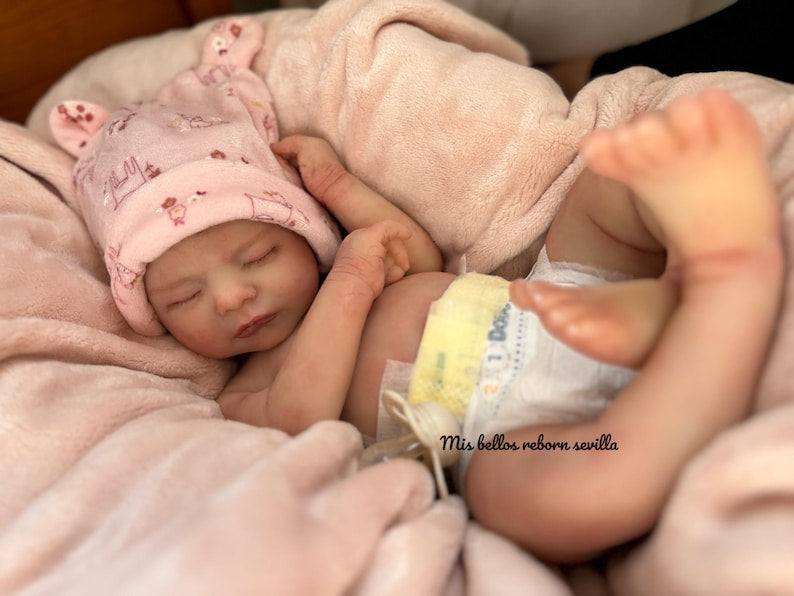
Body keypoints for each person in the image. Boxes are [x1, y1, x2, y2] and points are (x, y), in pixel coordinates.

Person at [50, 19, 782, 564]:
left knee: (614, 170)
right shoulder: (252, 391)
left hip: (546, 298)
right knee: (544, 505)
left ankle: (670, 288)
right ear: (152, 315)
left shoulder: (360, 259)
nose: (232, 297)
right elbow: (303, 417)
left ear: (304, 234)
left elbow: (419, 256)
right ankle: (717, 295)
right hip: (496, 432)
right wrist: (351, 278)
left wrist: (336, 187)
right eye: (183, 297)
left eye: (257, 255)